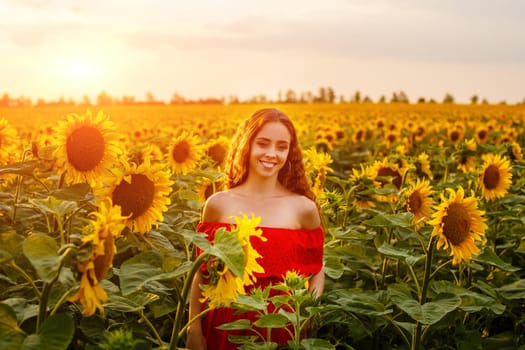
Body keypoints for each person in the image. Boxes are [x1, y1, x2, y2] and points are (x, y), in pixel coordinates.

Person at [186, 108, 325, 350]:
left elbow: (317, 270)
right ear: (246, 145)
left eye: (281, 147)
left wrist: (306, 316)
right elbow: (203, 272)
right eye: (263, 143)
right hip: (225, 323)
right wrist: (193, 329)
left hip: (281, 326)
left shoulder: (302, 208)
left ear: (289, 153)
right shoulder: (219, 204)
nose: (272, 154)